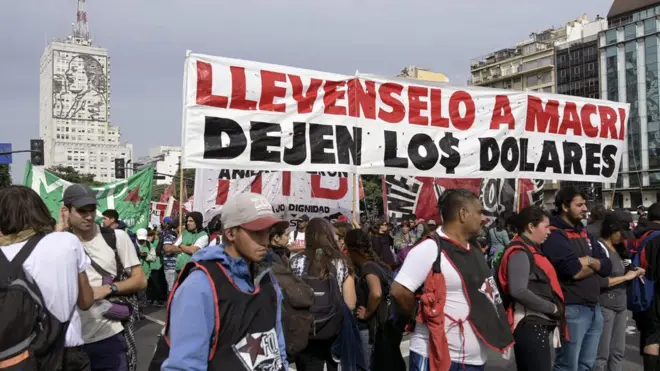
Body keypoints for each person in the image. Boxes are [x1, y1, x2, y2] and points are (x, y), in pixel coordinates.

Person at [156, 193, 290, 370]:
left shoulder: (268, 278)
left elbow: (277, 345)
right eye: (257, 232)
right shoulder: (200, 286)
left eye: (268, 232)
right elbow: (185, 365)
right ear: (231, 232)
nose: (265, 240)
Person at [391, 188, 513, 371]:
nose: (484, 219)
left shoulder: (475, 248)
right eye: (479, 212)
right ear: (463, 214)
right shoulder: (430, 248)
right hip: (435, 356)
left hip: (473, 360)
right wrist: (421, 315)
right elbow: (399, 291)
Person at [0, 186, 94, 371]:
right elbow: (86, 301)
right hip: (65, 353)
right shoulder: (66, 242)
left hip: (14, 358)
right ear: (41, 210)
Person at [57, 184, 147, 371]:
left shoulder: (116, 237)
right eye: (82, 211)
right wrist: (59, 231)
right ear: (66, 211)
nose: (89, 216)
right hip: (70, 341)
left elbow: (140, 279)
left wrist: (108, 289)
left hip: (109, 337)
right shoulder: (56, 241)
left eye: (92, 210)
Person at [541, 186, 612, 371]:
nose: (585, 208)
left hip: (594, 307)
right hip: (572, 308)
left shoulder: (585, 232)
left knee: (587, 365)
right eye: (579, 205)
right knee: (567, 365)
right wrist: (594, 264)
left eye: (585, 204)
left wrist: (588, 261)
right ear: (565, 206)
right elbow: (573, 270)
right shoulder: (554, 233)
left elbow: (607, 266)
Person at [496, 206, 563, 371]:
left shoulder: (530, 249)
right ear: (531, 227)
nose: (549, 232)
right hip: (530, 325)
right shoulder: (520, 252)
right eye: (545, 227)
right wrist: (551, 307)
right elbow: (518, 290)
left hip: (535, 324)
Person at [289, 218, 357, 371]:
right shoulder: (341, 262)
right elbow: (351, 302)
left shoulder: (295, 261)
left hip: (306, 330)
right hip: (334, 329)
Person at [595, 212, 646, 371]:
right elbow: (599, 282)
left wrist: (634, 270)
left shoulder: (619, 248)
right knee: (601, 354)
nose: (624, 238)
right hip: (605, 305)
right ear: (611, 229)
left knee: (618, 351)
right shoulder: (599, 247)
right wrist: (626, 277)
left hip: (620, 304)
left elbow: (625, 268)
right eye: (621, 234)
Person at [345, 229, 393, 370]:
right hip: (382, 327)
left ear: (353, 249)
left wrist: (367, 313)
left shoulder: (369, 268)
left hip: (370, 328)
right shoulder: (380, 265)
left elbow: (376, 293)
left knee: (366, 366)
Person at [632, 202, 660, 370]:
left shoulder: (639, 235)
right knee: (656, 337)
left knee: (648, 336)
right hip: (657, 294)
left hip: (642, 291)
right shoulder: (658, 238)